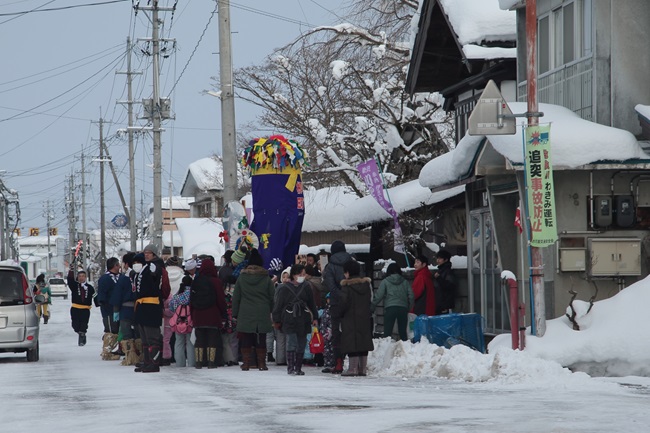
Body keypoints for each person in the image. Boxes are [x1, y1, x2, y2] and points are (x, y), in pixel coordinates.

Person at [232, 248, 275, 371]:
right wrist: (270, 310)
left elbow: (237, 297)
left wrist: (235, 313)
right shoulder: (266, 279)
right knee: (261, 337)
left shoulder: (242, 278)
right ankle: (262, 364)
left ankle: (246, 363)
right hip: (262, 310)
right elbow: (272, 297)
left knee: (246, 337)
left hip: (245, 311)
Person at [272, 264, 319, 375]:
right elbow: (278, 305)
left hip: (304, 318)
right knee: (291, 342)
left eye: (303, 274)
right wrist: (276, 320)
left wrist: (315, 317)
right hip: (289, 318)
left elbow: (312, 303)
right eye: (300, 274)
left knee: (302, 343)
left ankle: (298, 367)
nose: (302, 276)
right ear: (293, 275)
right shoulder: (284, 288)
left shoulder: (307, 286)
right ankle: (291, 367)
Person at [133, 244, 170, 373]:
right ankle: (147, 361)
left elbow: (160, 285)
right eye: (145, 252)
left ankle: (154, 363)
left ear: (154, 254)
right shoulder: (145, 267)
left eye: (149, 252)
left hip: (151, 305)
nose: (147, 254)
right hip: (142, 305)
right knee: (144, 336)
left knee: (152, 336)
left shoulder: (156, 266)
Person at [190, 257, 227, 369]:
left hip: (198, 315)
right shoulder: (216, 281)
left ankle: (199, 362)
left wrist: (192, 313)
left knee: (199, 339)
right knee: (212, 338)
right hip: (213, 314)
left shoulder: (196, 280)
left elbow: (191, 299)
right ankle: (211, 362)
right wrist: (223, 313)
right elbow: (221, 299)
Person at [339, 259, 374, 377]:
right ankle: (362, 369)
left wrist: (339, 314)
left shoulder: (346, 287)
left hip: (349, 318)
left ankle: (352, 368)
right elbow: (371, 301)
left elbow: (343, 304)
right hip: (364, 317)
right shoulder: (367, 285)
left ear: (348, 272)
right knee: (363, 341)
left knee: (351, 342)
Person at [322, 240, 352, 373]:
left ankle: (338, 362)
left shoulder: (330, 266)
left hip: (335, 303)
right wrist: (347, 295)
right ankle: (352, 362)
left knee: (336, 332)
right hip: (351, 301)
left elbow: (330, 285)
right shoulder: (353, 262)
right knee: (350, 330)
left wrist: (339, 295)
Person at [371, 263, 414, 341]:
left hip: (390, 308)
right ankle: (405, 349)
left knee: (387, 333)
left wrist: (372, 307)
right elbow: (411, 296)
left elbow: (378, 296)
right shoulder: (405, 282)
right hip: (403, 308)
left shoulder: (385, 281)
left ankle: (386, 349)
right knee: (403, 333)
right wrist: (408, 307)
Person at [111, 252, 139, 366]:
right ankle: (140, 355)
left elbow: (117, 295)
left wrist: (116, 311)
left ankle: (130, 357)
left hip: (125, 309)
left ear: (127, 264)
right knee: (138, 335)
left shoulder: (123, 278)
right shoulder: (140, 276)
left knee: (127, 335)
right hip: (139, 308)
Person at [97, 257, 122, 360]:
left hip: (120, 308)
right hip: (108, 309)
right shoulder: (105, 278)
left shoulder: (121, 277)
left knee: (119, 330)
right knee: (111, 330)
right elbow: (101, 295)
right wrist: (104, 305)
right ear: (114, 266)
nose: (119, 267)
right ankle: (107, 351)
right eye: (118, 265)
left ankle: (119, 349)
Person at [162, 256, 185, 366]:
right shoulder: (182, 277)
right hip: (181, 310)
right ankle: (179, 357)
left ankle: (166, 355)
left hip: (165, 309)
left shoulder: (163, 276)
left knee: (165, 335)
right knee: (179, 334)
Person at [169, 275, 195, 367]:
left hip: (178, 322)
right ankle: (192, 363)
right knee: (190, 342)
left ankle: (180, 363)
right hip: (190, 322)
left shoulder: (177, 296)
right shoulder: (193, 294)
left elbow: (171, 307)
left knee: (179, 342)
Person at [67, 264, 96, 346]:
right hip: (75, 308)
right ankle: (79, 332)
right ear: (78, 277)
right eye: (80, 276)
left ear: (85, 277)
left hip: (85, 309)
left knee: (84, 324)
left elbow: (95, 296)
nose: (81, 278)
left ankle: (82, 337)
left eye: (83, 276)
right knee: (75, 325)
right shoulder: (74, 286)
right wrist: (71, 270)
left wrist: (100, 303)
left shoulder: (90, 287)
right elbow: (70, 280)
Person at [434, 250, 457, 315]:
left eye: (440, 259)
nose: (438, 260)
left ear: (446, 260)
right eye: (437, 258)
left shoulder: (448, 272)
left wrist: (439, 278)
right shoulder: (441, 270)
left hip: (445, 304)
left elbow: (449, 286)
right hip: (440, 302)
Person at [319, 293, 335, 373]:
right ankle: (327, 364)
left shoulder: (333, 309)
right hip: (325, 331)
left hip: (331, 331)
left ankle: (332, 364)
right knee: (326, 349)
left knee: (331, 348)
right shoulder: (326, 309)